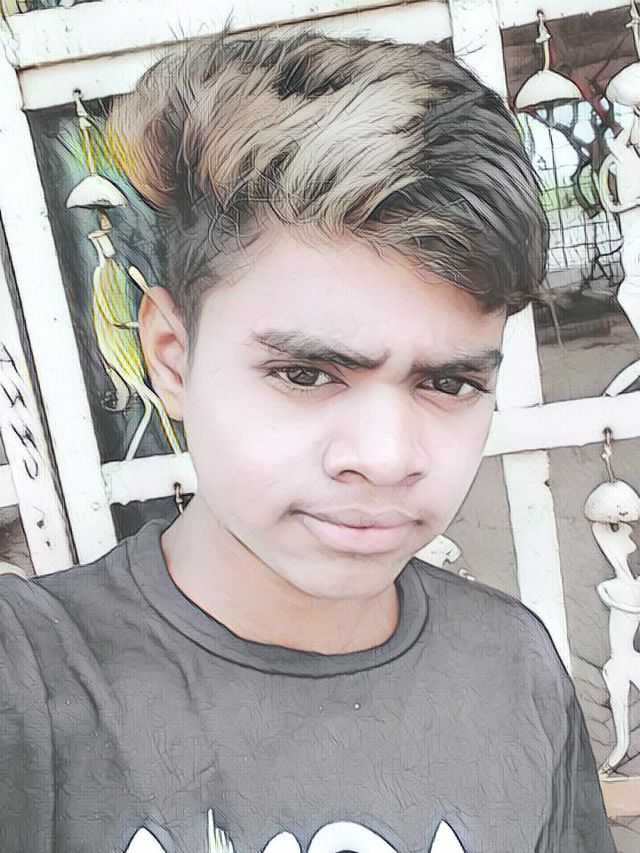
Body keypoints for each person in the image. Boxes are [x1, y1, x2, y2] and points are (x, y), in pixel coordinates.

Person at [0, 28, 616, 853]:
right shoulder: (34, 685)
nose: (387, 456)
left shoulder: (513, 667)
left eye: (448, 383)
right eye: (306, 373)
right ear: (172, 359)